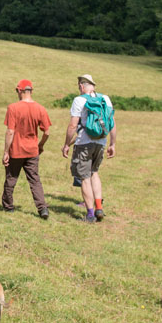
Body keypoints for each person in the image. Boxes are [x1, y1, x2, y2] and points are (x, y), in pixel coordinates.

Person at [61, 74, 115, 223]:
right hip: (101, 142)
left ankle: (90, 215)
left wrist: (66, 144)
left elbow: (73, 125)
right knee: (94, 173)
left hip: (84, 143)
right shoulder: (105, 98)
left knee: (84, 178)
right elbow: (112, 122)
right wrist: (112, 144)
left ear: (81, 86)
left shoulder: (79, 100)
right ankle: (99, 207)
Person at [1, 79, 52, 218]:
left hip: (16, 150)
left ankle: (8, 206)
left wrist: (6, 151)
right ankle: (42, 209)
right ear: (31, 91)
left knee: (11, 178)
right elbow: (47, 132)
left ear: (19, 90)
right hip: (32, 150)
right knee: (34, 180)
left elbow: (10, 131)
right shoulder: (40, 108)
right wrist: (40, 145)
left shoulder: (13, 108)